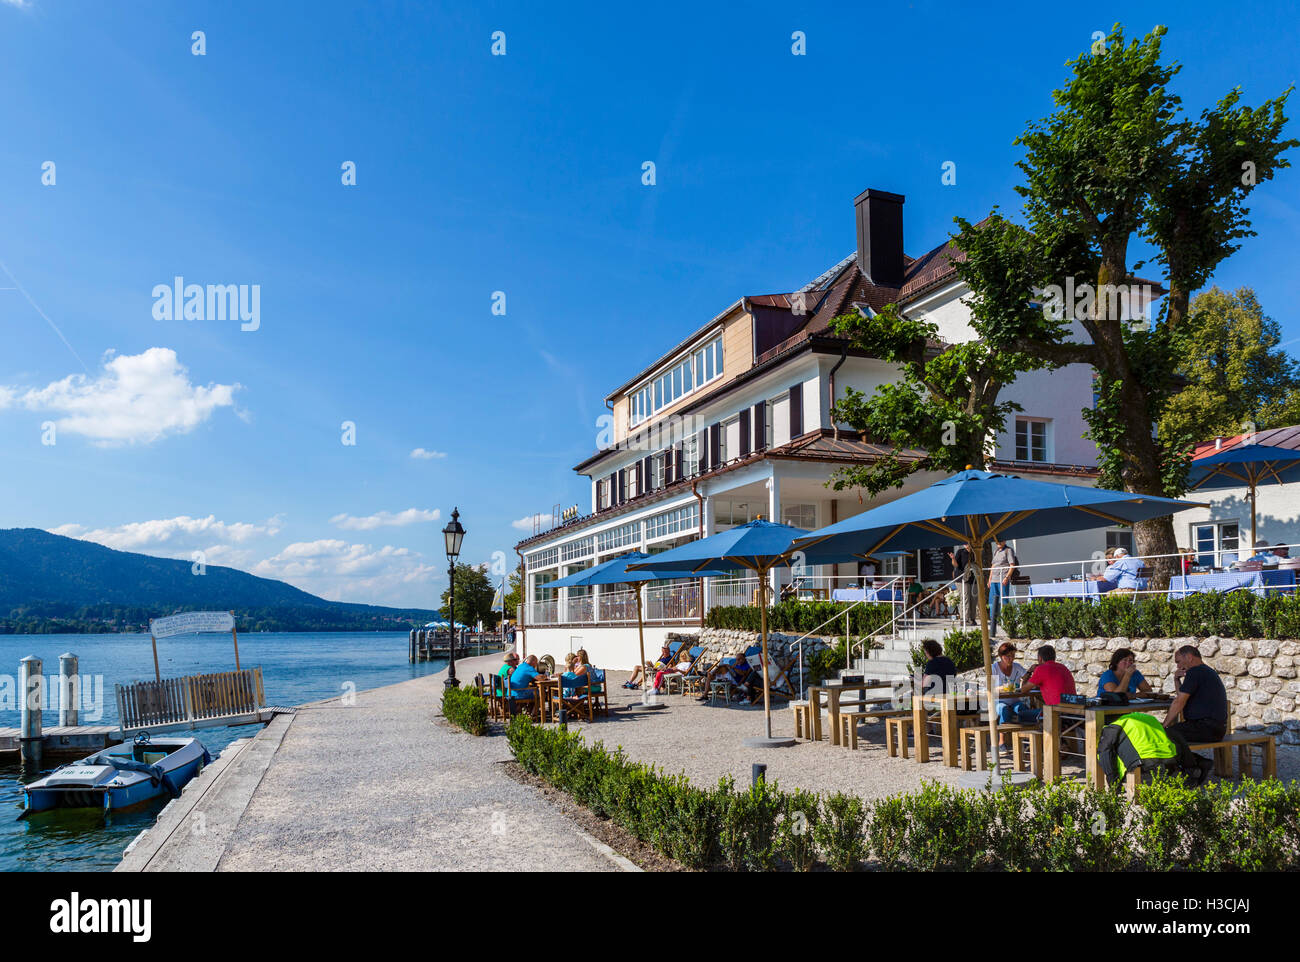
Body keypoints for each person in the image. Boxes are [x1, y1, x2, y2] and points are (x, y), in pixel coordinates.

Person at [1098, 711, 1212, 789]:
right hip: (1170, 758)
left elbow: (1105, 752)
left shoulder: (1113, 726)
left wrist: (1114, 784)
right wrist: (1190, 766)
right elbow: (1176, 737)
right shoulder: (1149, 719)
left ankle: (1190, 776)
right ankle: (1196, 767)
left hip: (1143, 762)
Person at [1165, 645, 1228, 745]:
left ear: (1189, 657)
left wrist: (1164, 725)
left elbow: (1179, 702)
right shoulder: (1207, 671)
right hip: (1216, 729)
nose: (1178, 666)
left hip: (1204, 728)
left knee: (1164, 734)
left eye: (1178, 661)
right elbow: (1182, 696)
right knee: (1173, 733)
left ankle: (1188, 761)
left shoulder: (1195, 671)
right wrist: (1176, 680)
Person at [1016, 645, 1076, 723]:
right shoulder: (1063, 667)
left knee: (1021, 715)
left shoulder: (1041, 669)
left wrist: (1029, 671)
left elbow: (1023, 689)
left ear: (1040, 658)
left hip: (1055, 712)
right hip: (1073, 713)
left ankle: (1040, 734)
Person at [992, 642, 1029, 750]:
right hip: (998, 701)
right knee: (1004, 709)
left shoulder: (1017, 667)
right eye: (1008, 656)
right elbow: (990, 688)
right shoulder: (994, 668)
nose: (1011, 659)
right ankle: (1001, 742)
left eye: (1013, 656)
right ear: (1001, 656)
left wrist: (1029, 673)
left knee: (1023, 709)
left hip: (1014, 701)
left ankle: (1026, 739)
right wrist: (1003, 688)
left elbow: (1026, 677)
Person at [987, 537, 1019, 636]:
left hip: (1002, 578)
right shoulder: (996, 551)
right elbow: (993, 566)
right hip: (994, 579)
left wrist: (1006, 577)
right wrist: (989, 579)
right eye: (997, 541)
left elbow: (1012, 565)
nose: (999, 543)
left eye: (1000, 541)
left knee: (1004, 599)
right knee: (992, 601)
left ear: (1005, 541)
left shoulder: (1008, 550)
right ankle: (994, 621)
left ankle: (1006, 619)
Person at [948, 543, 977, 626]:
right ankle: (964, 619)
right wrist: (953, 558)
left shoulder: (975, 552)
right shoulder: (960, 552)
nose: (965, 544)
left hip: (973, 578)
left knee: (973, 599)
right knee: (965, 597)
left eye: (967, 543)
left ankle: (972, 618)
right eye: (964, 543)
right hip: (961, 579)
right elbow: (956, 565)